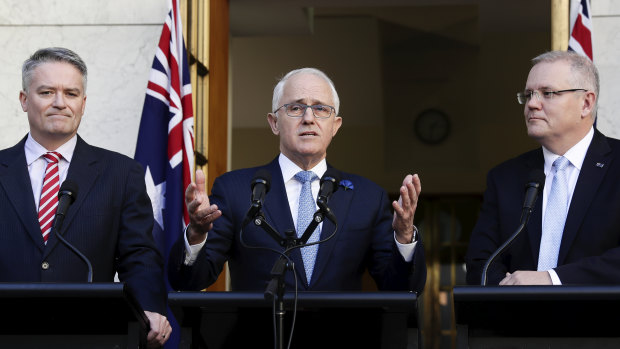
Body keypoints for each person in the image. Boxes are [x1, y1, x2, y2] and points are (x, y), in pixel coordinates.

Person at [169, 67, 426, 293]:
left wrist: (404, 236)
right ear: (274, 123)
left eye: (321, 109)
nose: (308, 118)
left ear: (335, 125)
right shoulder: (235, 190)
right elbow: (189, 281)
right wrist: (196, 234)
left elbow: (400, 288)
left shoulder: (367, 197)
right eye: (295, 107)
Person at [0, 47, 171, 347]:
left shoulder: (121, 173)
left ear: (83, 103)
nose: (59, 103)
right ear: (24, 100)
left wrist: (147, 310)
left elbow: (139, 257)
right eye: (47, 92)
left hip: (92, 336)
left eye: (71, 93)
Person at [466, 50, 620, 285]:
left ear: (586, 103)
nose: (532, 104)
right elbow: (481, 262)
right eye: (528, 95)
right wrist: (510, 294)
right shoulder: (505, 177)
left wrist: (552, 279)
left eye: (547, 93)